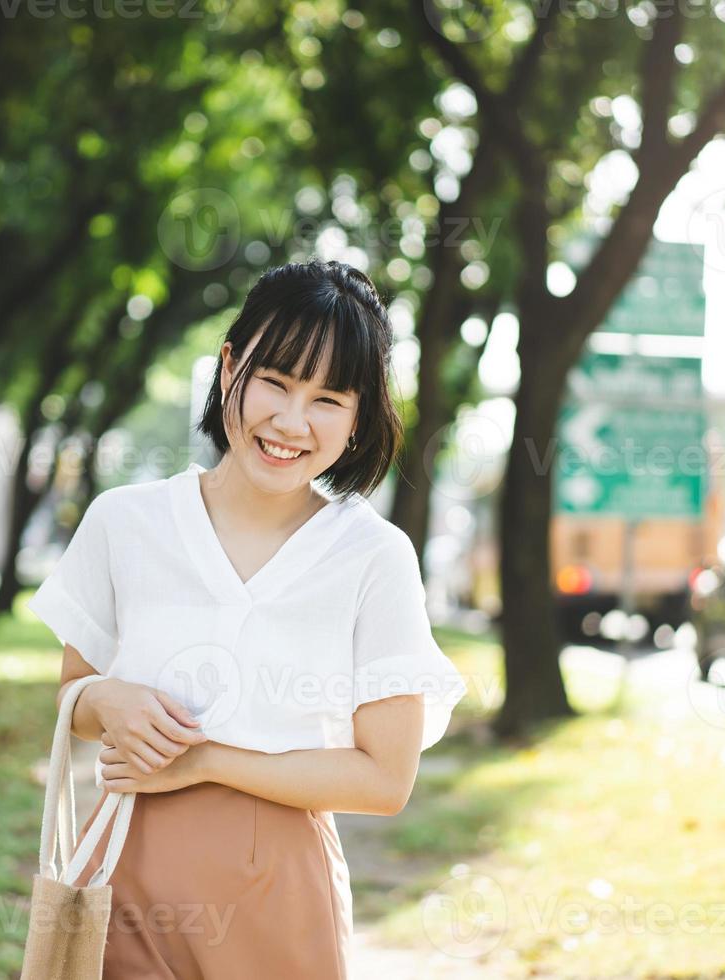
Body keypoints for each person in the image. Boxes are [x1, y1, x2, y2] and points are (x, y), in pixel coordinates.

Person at [26, 259, 468, 978]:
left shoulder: (374, 557)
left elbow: (385, 779)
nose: (291, 422)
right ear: (231, 366)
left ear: (359, 416)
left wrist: (205, 763)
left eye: (328, 398)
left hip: (280, 894)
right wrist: (108, 697)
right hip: (122, 872)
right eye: (277, 382)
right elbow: (74, 697)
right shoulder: (125, 522)